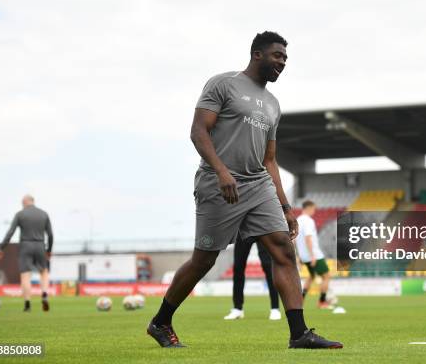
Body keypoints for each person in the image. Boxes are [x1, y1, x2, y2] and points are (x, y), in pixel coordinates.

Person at [146, 31, 342, 349]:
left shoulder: (273, 105)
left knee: (282, 248)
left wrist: (285, 206)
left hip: (258, 184)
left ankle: (299, 333)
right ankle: (161, 321)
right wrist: (222, 171)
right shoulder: (223, 84)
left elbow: (270, 159)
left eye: (286, 59)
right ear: (257, 54)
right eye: (278, 56)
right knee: (204, 259)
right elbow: (198, 131)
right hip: (219, 183)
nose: (282, 63)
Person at [0, 195, 53, 312]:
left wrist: (1, 248)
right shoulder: (44, 214)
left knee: (25, 275)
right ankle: (45, 294)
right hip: (40, 245)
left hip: (25, 246)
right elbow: (50, 234)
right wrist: (49, 250)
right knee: (44, 272)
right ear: (33, 201)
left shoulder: (20, 214)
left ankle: (27, 304)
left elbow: (10, 232)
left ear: (24, 202)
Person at [223, 236, 281, 320]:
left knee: (268, 266)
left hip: (262, 228)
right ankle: (237, 309)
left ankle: (275, 308)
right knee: (238, 266)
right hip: (244, 228)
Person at [295, 201, 332, 309]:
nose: (314, 211)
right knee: (326, 276)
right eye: (313, 209)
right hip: (313, 255)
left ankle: (300, 300)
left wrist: (298, 256)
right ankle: (322, 301)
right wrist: (312, 256)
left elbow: (294, 240)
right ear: (309, 208)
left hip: (303, 256)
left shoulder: (298, 220)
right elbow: (308, 238)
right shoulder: (308, 221)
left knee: (311, 276)